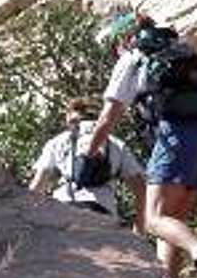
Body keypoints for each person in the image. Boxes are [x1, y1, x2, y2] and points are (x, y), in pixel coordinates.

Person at [85, 12, 197, 278]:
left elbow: (108, 118)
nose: (113, 52)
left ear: (123, 38)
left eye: (112, 46)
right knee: (173, 220)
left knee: (153, 219)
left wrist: (88, 155)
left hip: (176, 135)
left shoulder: (132, 59)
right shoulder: (184, 50)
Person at [28, 98, 146, 232]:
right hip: (102, 212)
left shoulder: (58, 141)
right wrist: (139, 230)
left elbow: (38, 185)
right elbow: (140, 189)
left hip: (63, 209)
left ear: (69, 117)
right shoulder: (116, 144)